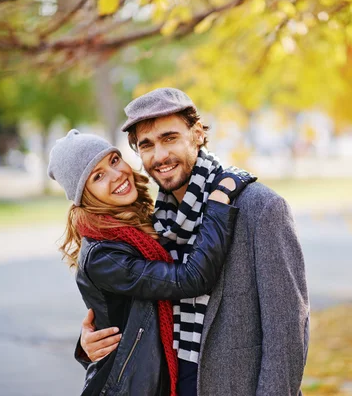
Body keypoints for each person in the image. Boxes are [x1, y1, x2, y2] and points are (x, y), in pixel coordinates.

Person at [78, 88, 310, 395]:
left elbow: (287, 334)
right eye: (146, 145)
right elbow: (139, 302)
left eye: (169, 138)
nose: (159, 156)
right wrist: (89, 341)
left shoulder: (259, 208)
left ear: (197, 133)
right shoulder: (152, 221)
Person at [48, 129, 255, 396]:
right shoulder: (104, 255)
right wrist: (219, 199)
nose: (116, 175)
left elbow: (126, 316)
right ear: (84, 196)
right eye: (97, 176)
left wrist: (86, 343)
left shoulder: (139, 219)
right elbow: (191, 278)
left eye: (113, 160)